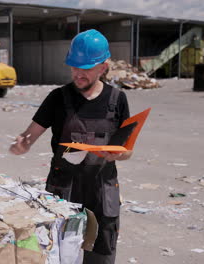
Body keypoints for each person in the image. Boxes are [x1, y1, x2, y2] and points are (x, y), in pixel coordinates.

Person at [9, 29, 132, 264]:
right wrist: (22, 144)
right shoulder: (57, 98)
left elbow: (128, 149)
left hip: (103, 193)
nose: (78, 74)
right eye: (74, 67)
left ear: (103, 67)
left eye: (85, 69)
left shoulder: (118, 100)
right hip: (62, 192)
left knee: (101, 257)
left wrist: (119, 154)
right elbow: (29, 135)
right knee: (59, 255)